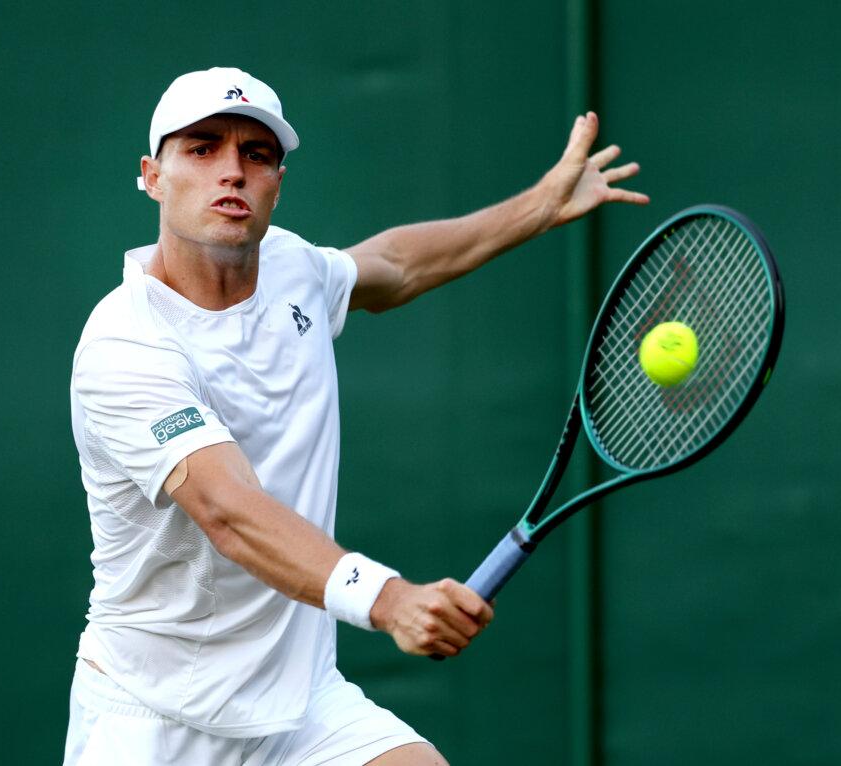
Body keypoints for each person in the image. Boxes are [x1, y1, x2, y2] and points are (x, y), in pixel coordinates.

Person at [64, 67, 647, 766]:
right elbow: (228, 509)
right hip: (155, 718)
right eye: (202, 148)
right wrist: (388, 599)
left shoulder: (291, 268)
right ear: (153, 176)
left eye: (257, 154)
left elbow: (392, 266)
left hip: (302, 706)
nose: (232, 171)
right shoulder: (126, 342)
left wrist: (537, 207)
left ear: (278, 180)